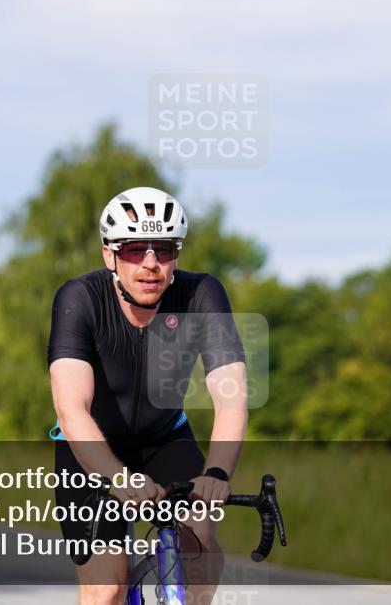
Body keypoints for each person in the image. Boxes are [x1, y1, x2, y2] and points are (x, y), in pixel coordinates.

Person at [47, 186, 248, 605]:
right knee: (107, 588)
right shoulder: (79, 299)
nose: (151, 264)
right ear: (110, 255)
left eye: (165, 250)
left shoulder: (201, 294)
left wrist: (216, 474)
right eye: (135, 249)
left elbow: (231, 396)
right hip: (91, 450)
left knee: (200, 536)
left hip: (164, 439)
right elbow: (72, 410)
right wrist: (118, 479)